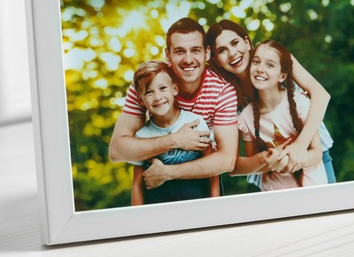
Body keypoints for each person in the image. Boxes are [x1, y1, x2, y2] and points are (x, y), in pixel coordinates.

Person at [108, 17, 238, 193]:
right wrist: (176, 140)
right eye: (179, 51)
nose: (188, 59)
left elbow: (226, 160)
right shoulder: (148, 84)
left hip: (198, 184)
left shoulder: (222, 91)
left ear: (207, 53)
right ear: (168, 54)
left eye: (195, 50)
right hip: (157, 188)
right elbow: (117, 151)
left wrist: (168, 173)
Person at [205, 19, 336, 183]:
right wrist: (269, 161)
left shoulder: (275, 56)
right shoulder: (226, 94)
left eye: (235, 43)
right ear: (216, 59)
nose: (232, 53)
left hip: (311, 154)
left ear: (247, 42)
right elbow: (234, 164)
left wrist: (300, 146)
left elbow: (321, 95)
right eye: (222, 50)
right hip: (274, 174)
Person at [231, 40, 327, 191]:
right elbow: (252, 163)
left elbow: (317, 154)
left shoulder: (299, 103)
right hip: (275, 191)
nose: (260, 69)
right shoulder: (246, 117)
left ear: (282, 76)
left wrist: (287, 160)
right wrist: (268, 160)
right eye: (256, 62)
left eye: (270, 65)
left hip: (313, 186)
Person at [129, 61, 219, 205]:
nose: (157, 97)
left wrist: (214, 206)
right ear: (141, 100)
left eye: (163, 88)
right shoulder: (142, 136)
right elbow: (137, 184)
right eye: (149, 92)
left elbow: (213, 174)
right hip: (158, 210)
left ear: (175, 89)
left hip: (197, 205)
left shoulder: (195, 122)